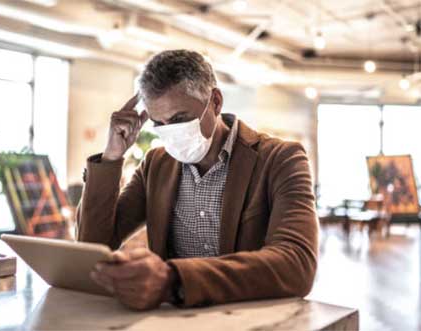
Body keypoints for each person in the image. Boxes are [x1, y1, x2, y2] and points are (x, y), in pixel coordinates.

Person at [76, 49, 318, 310]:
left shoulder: (280, 159)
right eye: (160, 123)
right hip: (175, 321)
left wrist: (175, 280)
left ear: (215, 101)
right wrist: (112, 158)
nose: (171, 132)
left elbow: (297, 264)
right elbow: (94, 247)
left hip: (249, 318)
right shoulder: (156, 165)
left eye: (180, 119)